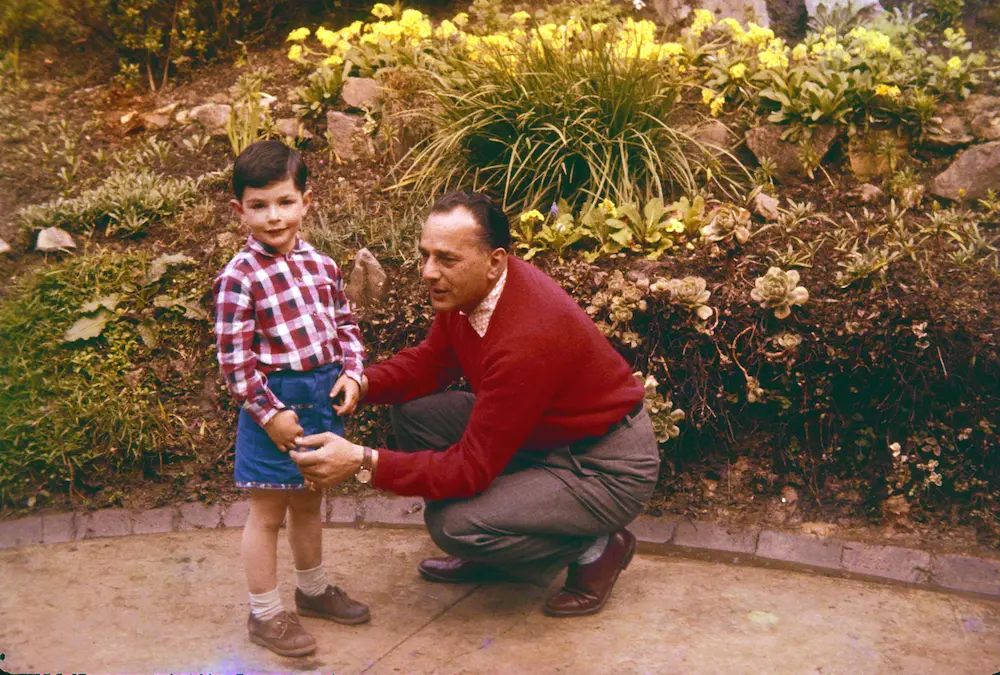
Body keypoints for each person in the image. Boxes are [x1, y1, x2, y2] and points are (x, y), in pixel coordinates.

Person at [291, 191, 661, 617]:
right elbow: (434, 362)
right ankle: (499, 544)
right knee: (415, 415)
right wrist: (363, 382)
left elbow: (471, 468)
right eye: (425, 255)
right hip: (542, 434)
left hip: (602, 466)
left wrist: (363, 462)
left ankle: (597, 548)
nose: (429, 272)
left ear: (495, 261)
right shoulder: (471, 292)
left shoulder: (528, 338)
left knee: (455, 526)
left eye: (446, 259)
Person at [213, 140, 370, 657]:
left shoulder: (322, 265)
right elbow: (235, 364)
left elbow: (345, 326)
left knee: (309, 499)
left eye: (285, 201)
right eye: (258, 205)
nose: (274, 216)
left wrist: (353, 373)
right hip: (273, 402)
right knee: (267, 511)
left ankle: (313, 589)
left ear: (307, 201)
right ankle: (264, 614)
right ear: (239, 210)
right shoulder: (239, 277)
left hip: (321, 394)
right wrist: (270, 415)